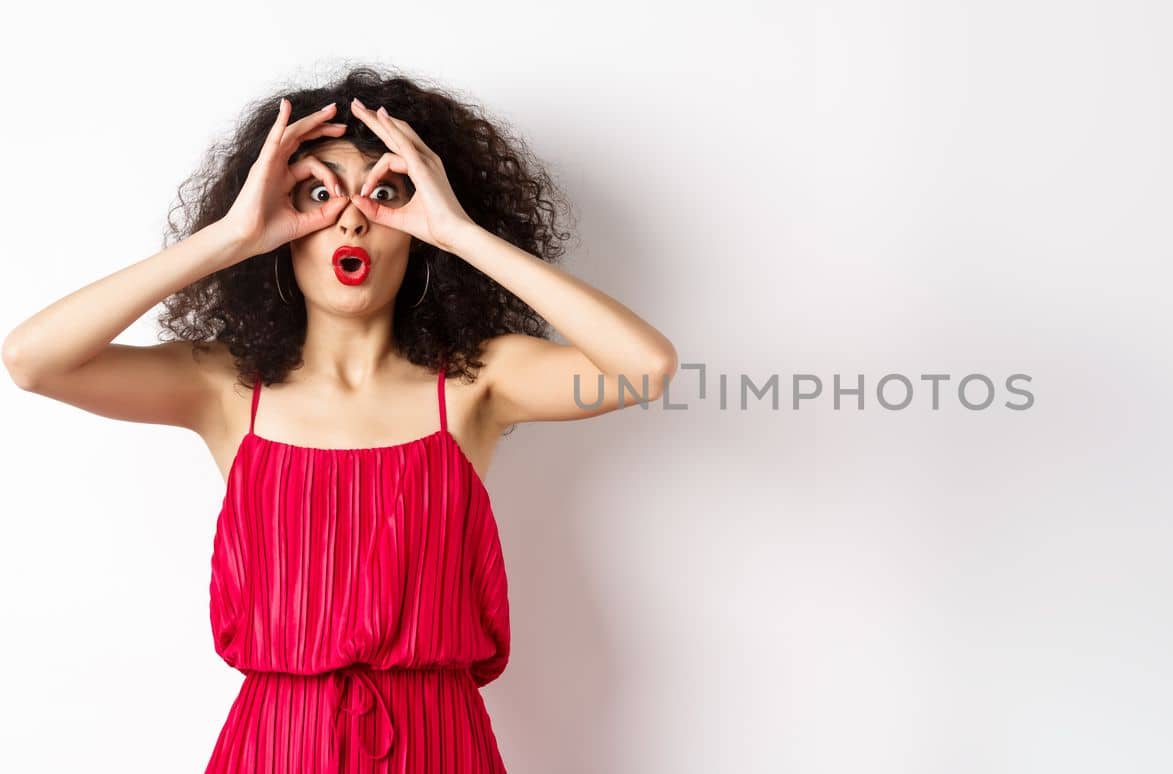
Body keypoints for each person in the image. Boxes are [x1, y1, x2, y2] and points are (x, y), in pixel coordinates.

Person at [1, 64, 677, 772]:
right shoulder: (226, 386)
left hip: (438, 748)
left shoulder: (478, 382)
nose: (352, 217)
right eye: (316, 194)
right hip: (277, 746)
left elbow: (647, 367)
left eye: (386, 193)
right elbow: (31, 360)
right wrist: (231, 236)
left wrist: (458, 230)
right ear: (278, 224)